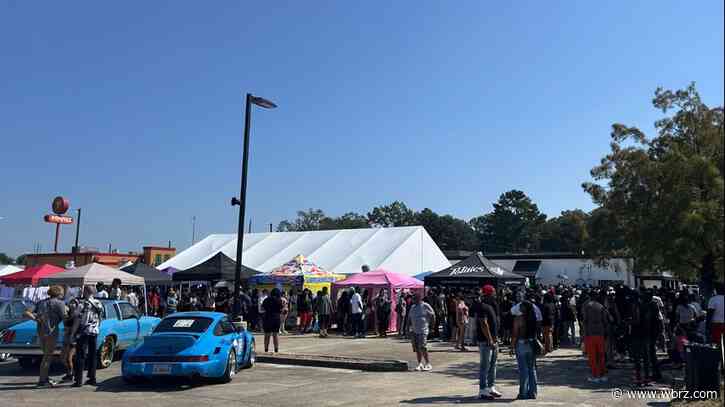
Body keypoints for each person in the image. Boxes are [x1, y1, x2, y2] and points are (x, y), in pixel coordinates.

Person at [24, 285, 67, 387]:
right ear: (59, 293)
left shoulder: (41, 302)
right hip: (51, 331)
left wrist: (36, 319)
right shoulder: (60, 303)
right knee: (47, 357)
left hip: (40, 331)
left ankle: (45, 377)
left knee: (45, 355)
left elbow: (26, 312)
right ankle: (42, 381)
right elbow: (65, 317)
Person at [471, 285, 502, 400]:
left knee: (493, 365)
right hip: (486, 342)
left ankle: (490, 387)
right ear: (487, 294)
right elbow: (484, 324)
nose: (495, 294)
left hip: (493, 340)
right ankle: (483, 390)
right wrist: (490, 340)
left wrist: (495, 339)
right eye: (493, 292)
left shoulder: (491, 306)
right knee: (485, 366)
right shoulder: (482, 307)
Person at [74, 285, 103, 387]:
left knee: (80, 355)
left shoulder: (82, 304)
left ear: (85, 291)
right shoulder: (98, 303)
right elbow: (101, 318)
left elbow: (77, 319)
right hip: (94, 331)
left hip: (83, 331)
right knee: (92, 354)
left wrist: (73, 333)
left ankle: (78, 380)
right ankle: (92, 378)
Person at [511, 297, 538, 400]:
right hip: (531, 343)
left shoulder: (518, 318)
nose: (520, 307)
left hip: (521, 343)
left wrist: (512, 346)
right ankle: (533, 392)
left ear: (525, 308)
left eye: (521, 305)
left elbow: (515, 334)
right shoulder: (533, 318)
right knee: (532, 369)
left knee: (523, 370)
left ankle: (523, 393)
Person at [582, 291, 609, 382]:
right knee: (601, 355)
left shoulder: (587, 306)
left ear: (590, 297)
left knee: (592, 356)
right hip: (600, 333)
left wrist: (584, 334)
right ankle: (603, 374)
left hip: (590, 333)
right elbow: (605, 320)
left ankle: (595, 375)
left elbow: (585, 320)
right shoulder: (601, 306)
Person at [407, 293, 435, 371]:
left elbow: (433, 315)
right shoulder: (412, 307)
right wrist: (407, 328)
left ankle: (428, 363)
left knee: (423, 347)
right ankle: (420, 364)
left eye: (414, 298)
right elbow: (409, 318)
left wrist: (432, 327)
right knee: (417, 348)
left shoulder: (425, 306)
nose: (413, 300)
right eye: (413, 298)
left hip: (423, 330)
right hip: (414, 330)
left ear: (419, 298)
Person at [60, 294, 80, 383]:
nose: (72, 305)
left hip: (73, 338)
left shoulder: (77, 316)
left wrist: (71, 333)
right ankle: (69, 373)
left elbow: (76, 327)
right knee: (62, 358)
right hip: (66, 337)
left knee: (69, 358)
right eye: (71, 303)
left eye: (74, 303)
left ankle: (72, 375)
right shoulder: (67, 315)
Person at [262, 288, 283, 353]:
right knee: (275, 335)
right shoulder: (279, 300)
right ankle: (276, 350)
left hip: (267, 318)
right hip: (276, 318)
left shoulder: (266, 300)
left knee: (267, 335)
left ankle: (266, 349)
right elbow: (281, 310)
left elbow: (262, 308)